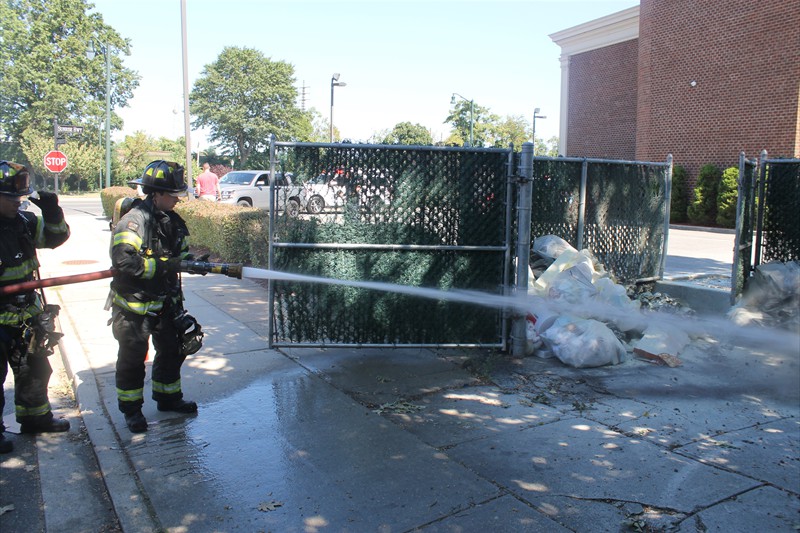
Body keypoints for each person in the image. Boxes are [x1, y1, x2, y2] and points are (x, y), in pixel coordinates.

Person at [109, 160, 204, 433]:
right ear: (156, 194)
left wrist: (195, 263)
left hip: (166, 304)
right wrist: (164, 266)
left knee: (173, 351)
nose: (177, 200)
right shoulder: (133, 221)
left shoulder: (173, 222)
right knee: (132, 360)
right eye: (173, 195)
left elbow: (181, 256)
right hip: (134, 307)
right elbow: (124, 261)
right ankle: (132, 411)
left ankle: (168, 398)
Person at [0, 161, 71, 454]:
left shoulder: (25, 223)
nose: (18, 203)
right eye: (11, 198)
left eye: (20, 198)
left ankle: (35, 418)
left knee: (36, 369)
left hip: (26, 315)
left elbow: (56, 237)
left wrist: (52, 211)